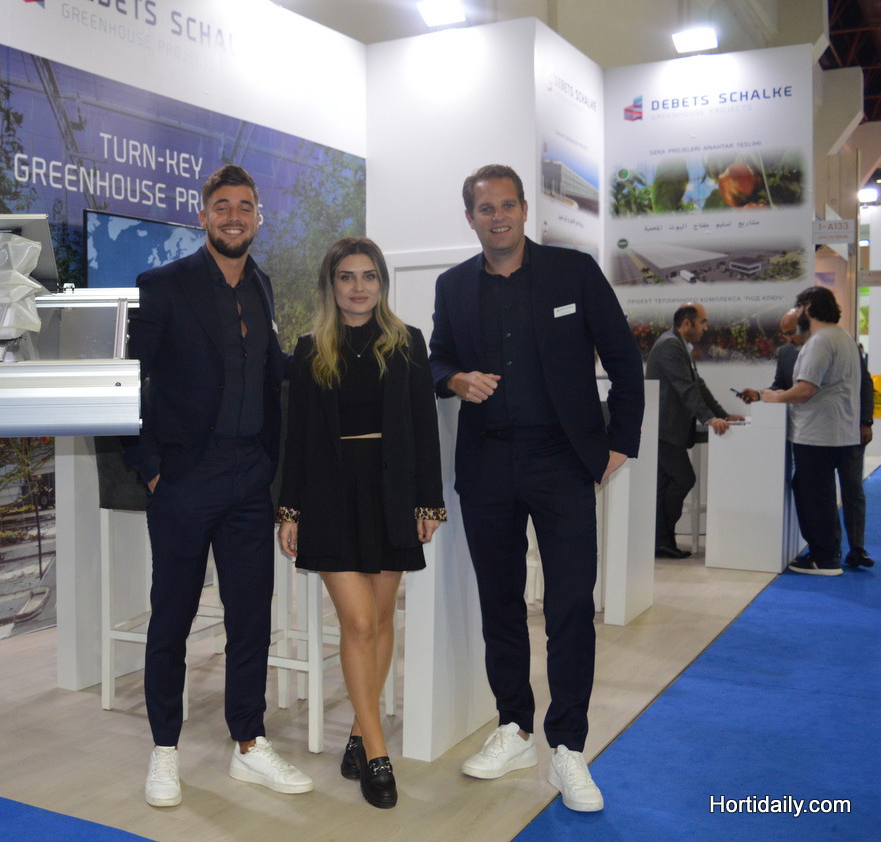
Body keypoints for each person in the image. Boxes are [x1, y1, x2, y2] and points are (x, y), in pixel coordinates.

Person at [428, 164, 644, 813]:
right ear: (471, 218)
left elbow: (622, 356)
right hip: (487, 463)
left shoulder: (573, 273)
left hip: (561, 461)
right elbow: (438, 356)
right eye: (484, 209)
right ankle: (515, 728)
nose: (497, 217)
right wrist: (454, 380)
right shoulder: (452, 285)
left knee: (571, 604)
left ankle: (568, 747)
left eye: (506, 205)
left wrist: (621, 440)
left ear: (525, 210)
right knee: (501, 603)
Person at [127, 164, 312, 807]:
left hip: (249, 480)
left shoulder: (261, 285)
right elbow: (130, 380)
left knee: (251, 619)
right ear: (202, 215)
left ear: (258, 217)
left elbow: (267, 373)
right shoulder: (162, 285)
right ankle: (164, 751)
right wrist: (151, 465)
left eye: (245, 207)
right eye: (223, 206)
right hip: (183, 480)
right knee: (172, 621)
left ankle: (249, 745)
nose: (234, 217)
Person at [276, 237, 445, 809]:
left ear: (381, 283)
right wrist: (290, 508)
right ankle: (376, 752)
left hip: (390, 493)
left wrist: (428, 503)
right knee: (358, 620)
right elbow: (296, 437)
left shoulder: (407, 341)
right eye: (347, 277)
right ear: (331, 285)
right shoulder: (309, 349)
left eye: (368, 276)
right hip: (329, 496)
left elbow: (425, 427)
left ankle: (357, 730)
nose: (358, 287)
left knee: (379, 619)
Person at [740, 309, 875, 569]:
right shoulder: (787, 353)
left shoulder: (835, 342)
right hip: (813, 433)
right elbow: (781, 386)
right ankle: (830, 550)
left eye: (791, 332)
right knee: (821, 493)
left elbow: (863, 384)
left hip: (847, 430)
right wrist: (759, 394)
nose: (788, 338)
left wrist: (865, 422)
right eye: (784, 334)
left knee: (851, 490)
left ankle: (856, 549)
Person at [762, 286, 863, 575]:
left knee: (814, 496)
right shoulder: (843, 337)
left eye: (799, 308)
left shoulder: (820, 341)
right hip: (839, 431)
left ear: (808, 308)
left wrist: (775, 397)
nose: (797, 315)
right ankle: (828, 552)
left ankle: (824, 557)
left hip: (818, 433)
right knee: (821, 495)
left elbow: (806, 389)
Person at [643, 303, 743, 559]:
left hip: (667, 429)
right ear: (687, 323)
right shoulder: (670, 345)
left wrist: (721, 415)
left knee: (666, 485)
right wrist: (708, 418)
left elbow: (698, 385)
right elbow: (685, 388)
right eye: (703, 322)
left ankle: (660, 541)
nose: (705, 328)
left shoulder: (679, 345)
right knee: (683, 479)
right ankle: (660, 539)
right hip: (664, 429)